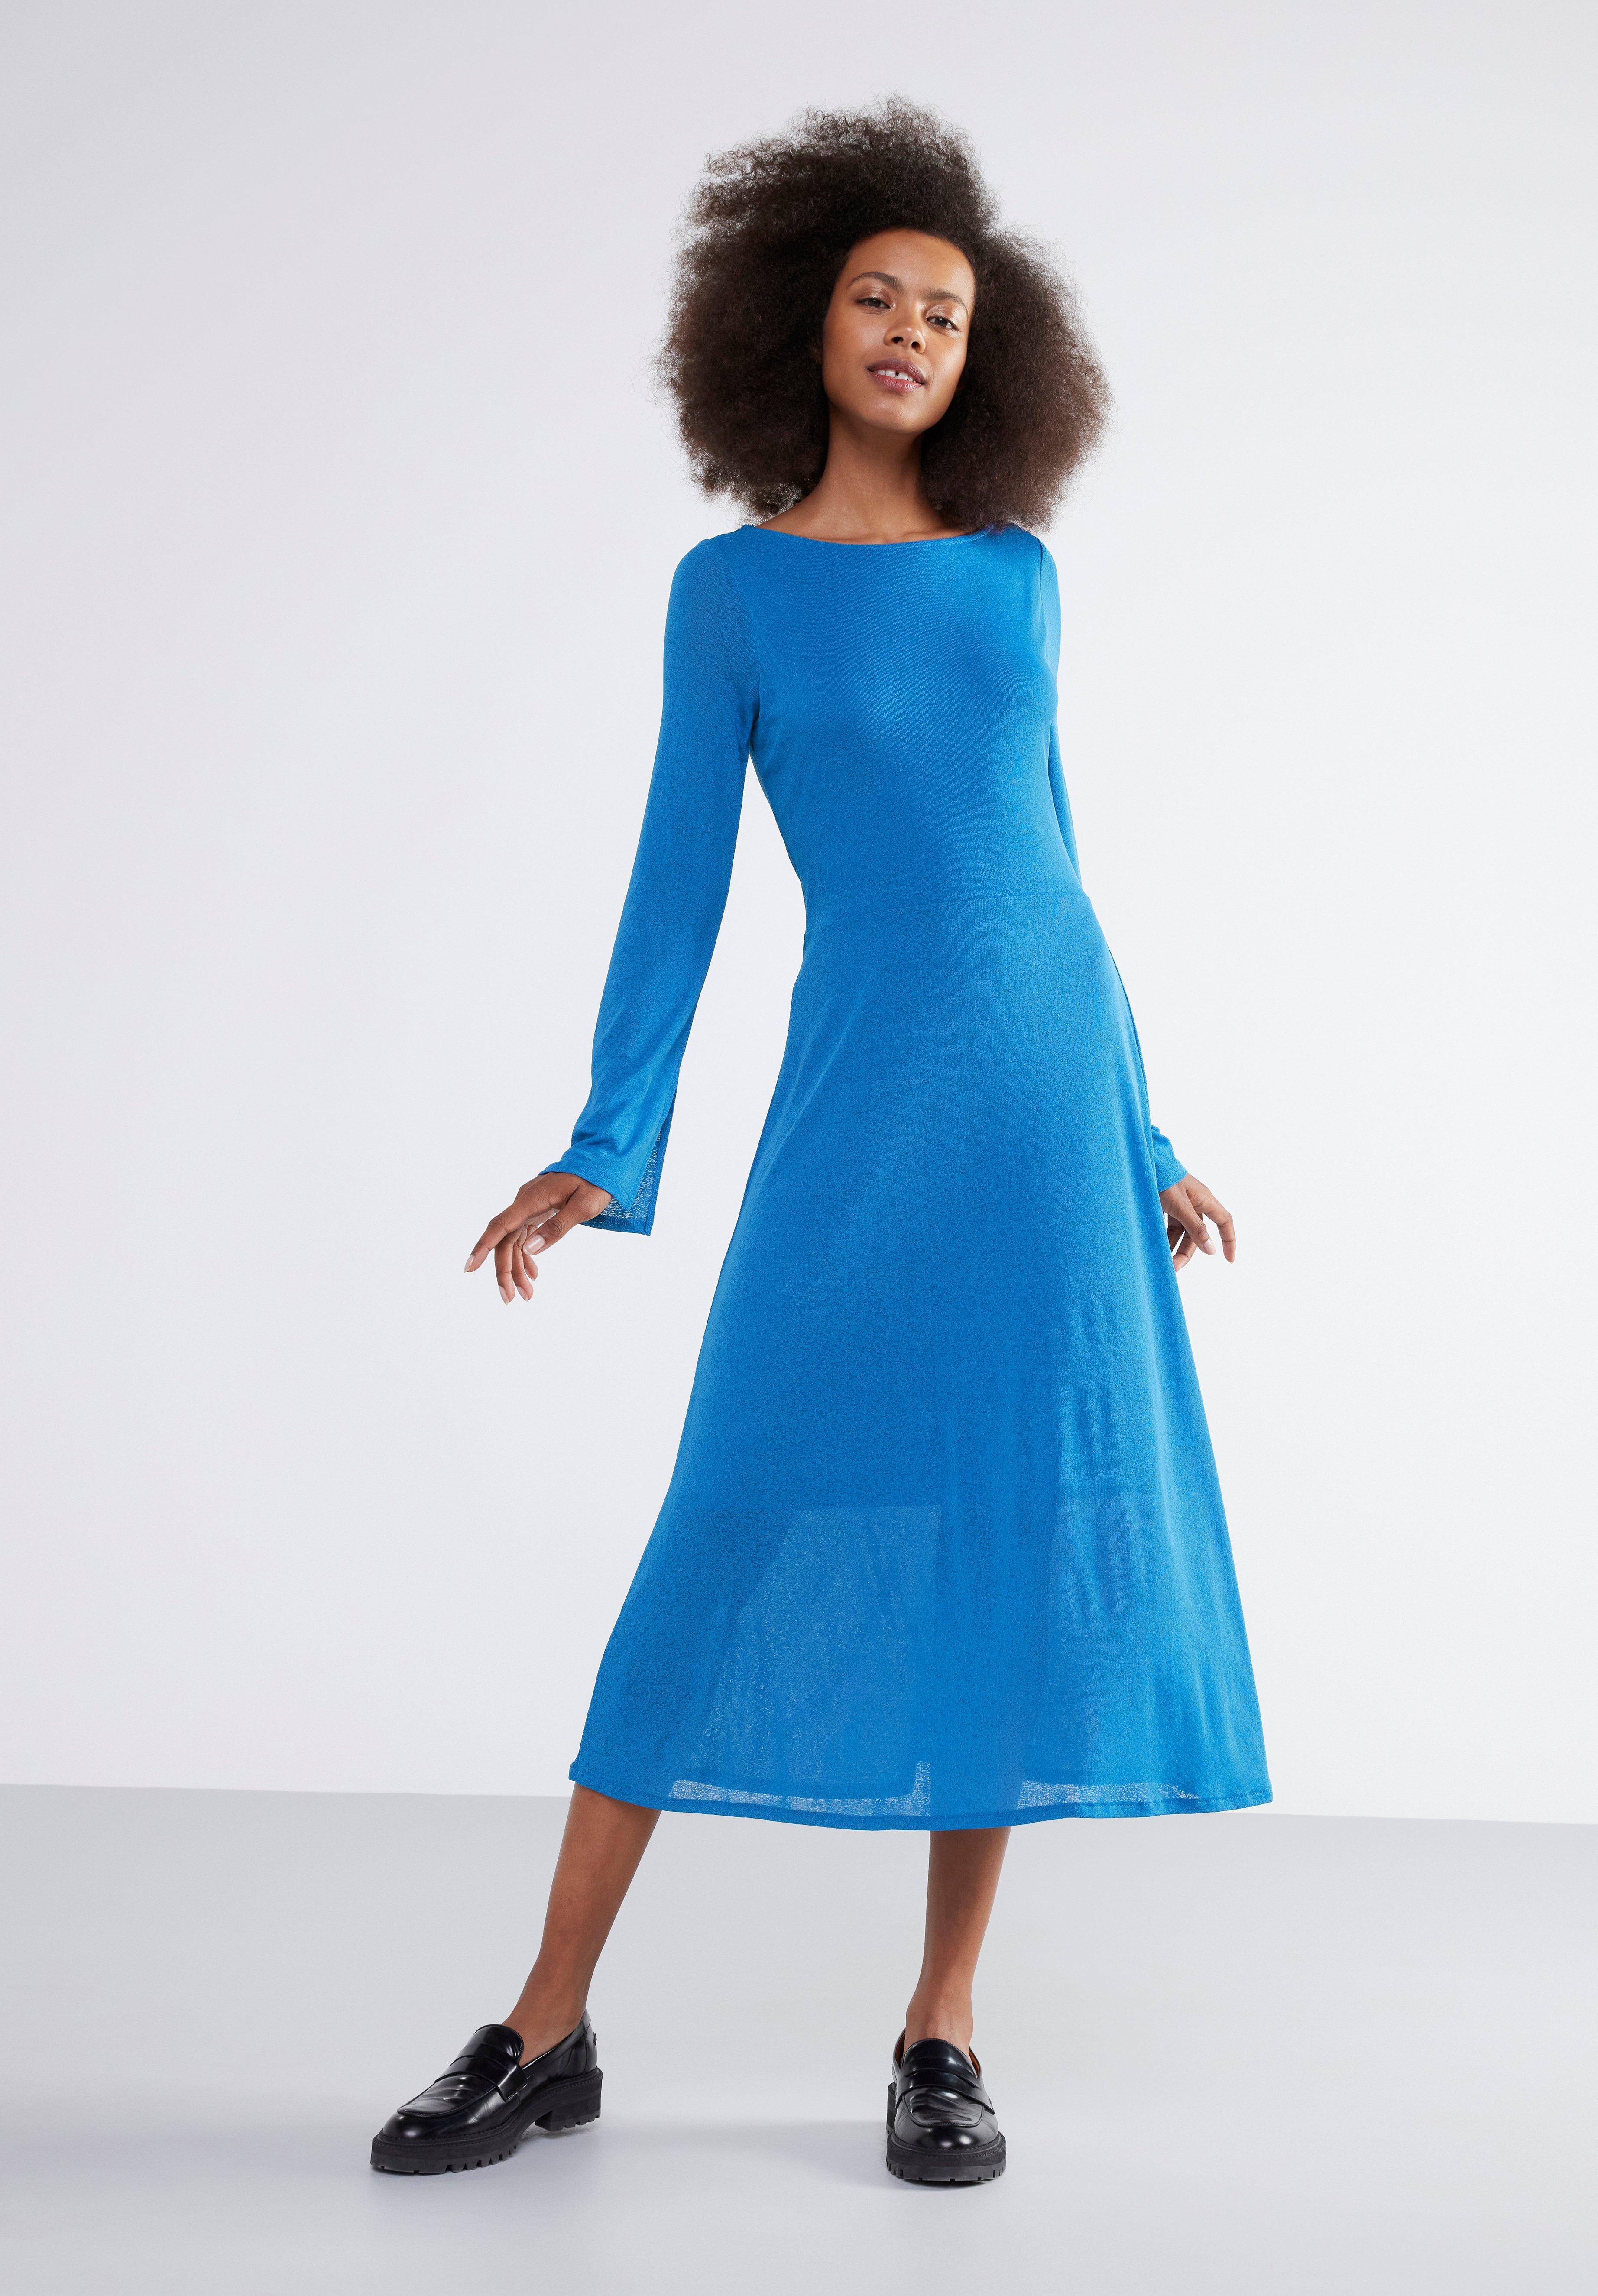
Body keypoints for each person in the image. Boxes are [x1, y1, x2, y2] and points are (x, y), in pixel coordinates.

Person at [371, 96, 1269, 2188]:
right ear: (798, 320)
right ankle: (543, 2017)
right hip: (864, 1098)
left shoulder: (1019, 579)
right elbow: (677, 881)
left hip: (1046, 1110)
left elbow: (1050, 865)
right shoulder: (734, 593)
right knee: (723, 1522)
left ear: (988, 357)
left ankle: (941, 2024)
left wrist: (1142, 1127)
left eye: (946, 313)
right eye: (878, 296)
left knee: (1002, 1542)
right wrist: (607, 1137)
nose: (911, 331)